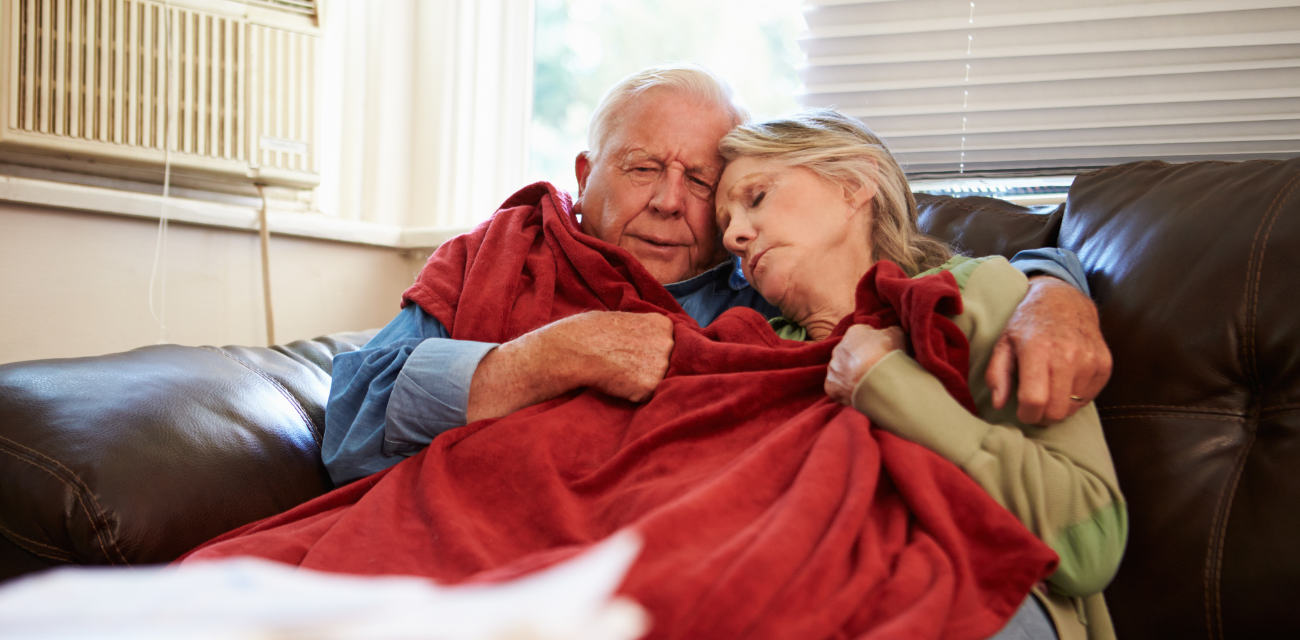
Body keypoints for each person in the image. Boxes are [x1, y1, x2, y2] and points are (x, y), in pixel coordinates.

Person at [322, 63, 1112, 486]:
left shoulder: (760, 277)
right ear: (585, 173)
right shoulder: (496, 252)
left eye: (702, 182)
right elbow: (353, 422)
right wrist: (550, 356)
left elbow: (917, 263)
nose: (672, 203)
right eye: (640, 170)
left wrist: (1056, 293)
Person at [713, 108, 1125, 640]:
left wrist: (886, 384)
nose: (734, 238)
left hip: (983, 601)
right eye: (724, 225)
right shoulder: (752, 349)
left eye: (756, 197)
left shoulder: (978, 295)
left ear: (854, 184)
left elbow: (1089, 545)